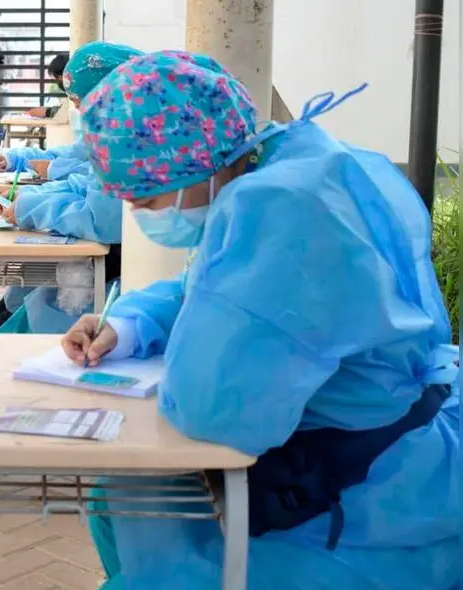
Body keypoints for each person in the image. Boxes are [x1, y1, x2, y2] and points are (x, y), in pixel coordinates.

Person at [61, 51, 460, 589]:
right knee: (119, 495)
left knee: (143, 511)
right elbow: (207, 284)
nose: (143, 215)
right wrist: (128, 325)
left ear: (191, 160)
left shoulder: (281, 207)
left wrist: (178, 364)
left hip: (363, 505)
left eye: (149, 199)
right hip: (374, 457)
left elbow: (214, 410)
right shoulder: (297, 161)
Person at [0, 42, 142, 334]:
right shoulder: (111, 132)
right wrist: (31, 194)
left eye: (80, 99)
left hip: (118, 257)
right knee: (41, 275)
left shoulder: (126, 143)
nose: (77, 108)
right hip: (116, 248)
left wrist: (31, 205)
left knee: (50, 286)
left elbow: (100, 218)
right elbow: (82, 180)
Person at [0, 42, 143, 182]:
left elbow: (96, 199)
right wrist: (15, 160)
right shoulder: (111, 132)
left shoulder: (138, 139)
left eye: (81, 102)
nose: (79, 110)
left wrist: (29, 201)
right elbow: (72, 154)